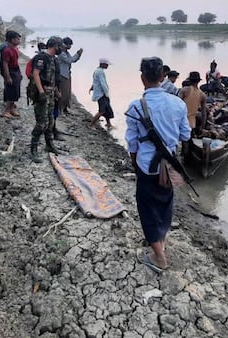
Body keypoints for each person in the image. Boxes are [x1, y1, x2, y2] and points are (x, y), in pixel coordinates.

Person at [125, 57, 190, 273]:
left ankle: (159, 257)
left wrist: (135, 163)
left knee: (147, 208)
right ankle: (159, 241)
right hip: (169, 165)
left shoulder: (136, 107)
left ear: (142, 77)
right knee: (165, 204)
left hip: (146, 166)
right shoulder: (178, 104)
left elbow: (132, 142)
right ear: (163, 77)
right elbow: (185, 135)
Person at [29, 37, 63, 163]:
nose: (60, 49)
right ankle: (33, 149)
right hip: (42, 93)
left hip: (51, 93)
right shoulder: (41, 57)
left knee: (50, 120)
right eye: (59, 46)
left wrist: (57, 92)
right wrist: (41, 92)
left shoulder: (54, 59)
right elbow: (36, 74)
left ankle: (49, 144)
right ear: (54, 46)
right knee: (41, 123)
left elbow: (54, 78)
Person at [57, 37, 83, 115]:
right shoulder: (61, 53)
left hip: (67, 74)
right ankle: (60, 110)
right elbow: (70, 60)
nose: (70, 46)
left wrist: (78, 55)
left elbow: (72, 59)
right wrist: (77, 54)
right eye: (69, 45)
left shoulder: (66, 53)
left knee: (67, 93)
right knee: (63, 93)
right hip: (62, 75)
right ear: (65, 44)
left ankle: (65, 108)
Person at [0, 30, 23, 118]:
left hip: (16, 70)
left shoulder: (15, 49)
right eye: (17, 39)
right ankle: (6, 111)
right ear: (12, 40)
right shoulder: (7, 50)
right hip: (11, 71)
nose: (19, 41)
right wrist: (8, 76)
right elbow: (5, 64)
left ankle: (12, 108)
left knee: (16, 91)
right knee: (11, 91)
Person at [178, 71, 207, 136]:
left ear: (189, 80)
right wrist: (202, 128)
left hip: (179, 123)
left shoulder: (184, 90)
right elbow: (204, 114)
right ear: (199, 81)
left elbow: (176, 106)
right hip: (191, 125)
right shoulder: (202, 95)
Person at [88, 58, 113, 129]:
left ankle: (108, 124)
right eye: (107, 64)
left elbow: (95, 81)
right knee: (101, 111)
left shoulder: (97, 71)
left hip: (101, 93)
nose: (108, 66)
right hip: (101, 94)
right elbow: (103, 84)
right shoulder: (100, 72)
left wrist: (92, 87)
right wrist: (106, 93)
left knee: (107, 109)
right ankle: (91, 124)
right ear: (103, 64)